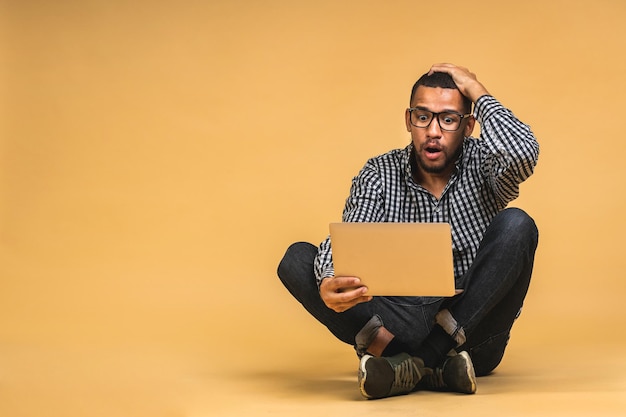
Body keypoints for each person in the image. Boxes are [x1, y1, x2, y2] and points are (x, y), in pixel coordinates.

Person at [277, 63, 539, 400]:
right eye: (423, 116)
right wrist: (329, 277)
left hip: (474, 337)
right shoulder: (380, 173)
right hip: (403, 324)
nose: (433, 131)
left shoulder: (486, 165)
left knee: (518, 224)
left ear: (468, 126)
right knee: (298, 260)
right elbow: (350, 234)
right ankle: (431, 368)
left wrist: (476, 90)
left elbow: (522, 153)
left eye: (448, 119)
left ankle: (416, 364)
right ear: (408, 120)